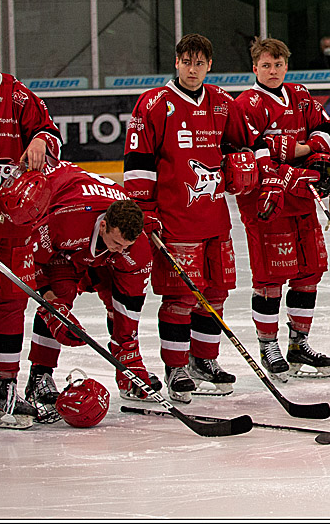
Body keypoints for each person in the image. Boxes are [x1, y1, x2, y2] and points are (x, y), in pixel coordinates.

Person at [123, 33, 250, 402]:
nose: (192, 70)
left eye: (200, 63)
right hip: (175, 221)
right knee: (180, 298)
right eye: (186, 62)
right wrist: (143, 210)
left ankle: (204, 360)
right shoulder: (153, 104)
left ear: (209, 66)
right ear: (176, 63)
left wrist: (242, 165)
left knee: (216, 292)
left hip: (215, 219)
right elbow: (138, 163)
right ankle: (176, 365)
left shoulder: (222, 104)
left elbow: (240, 146)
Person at [0, 14, 63, 429]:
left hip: (13, 223)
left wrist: (39, 139)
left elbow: (50, 132)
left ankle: (4, 392)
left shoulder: (16, 92)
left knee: (11, 306)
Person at [5, 161, 157, 421]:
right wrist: (53, 306)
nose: (122, 249)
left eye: (127, 245)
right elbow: (33, 262)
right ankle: (39, 377)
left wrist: (127, 354)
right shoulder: (64, 221)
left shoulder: (136, 246)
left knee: (115, 297)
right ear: (103, 226)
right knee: (61, 297)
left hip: (93, 241)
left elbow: (128, 303)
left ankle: (128, 371)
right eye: (118, 242)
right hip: (60, 214)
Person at [232, 37, 330, 378]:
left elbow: (325, 132)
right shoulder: (245, 104)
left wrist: (297, 152)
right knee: (271, 277)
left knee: (309, 272)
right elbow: (255, 154)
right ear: (254, 68)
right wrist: (300, 155)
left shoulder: (301, 94)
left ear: (286, 66)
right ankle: (268, 345)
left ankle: (298, 343)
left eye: (278, 65)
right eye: (266, 65)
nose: (273, 71)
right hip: (267, 202)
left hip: (303, 198)